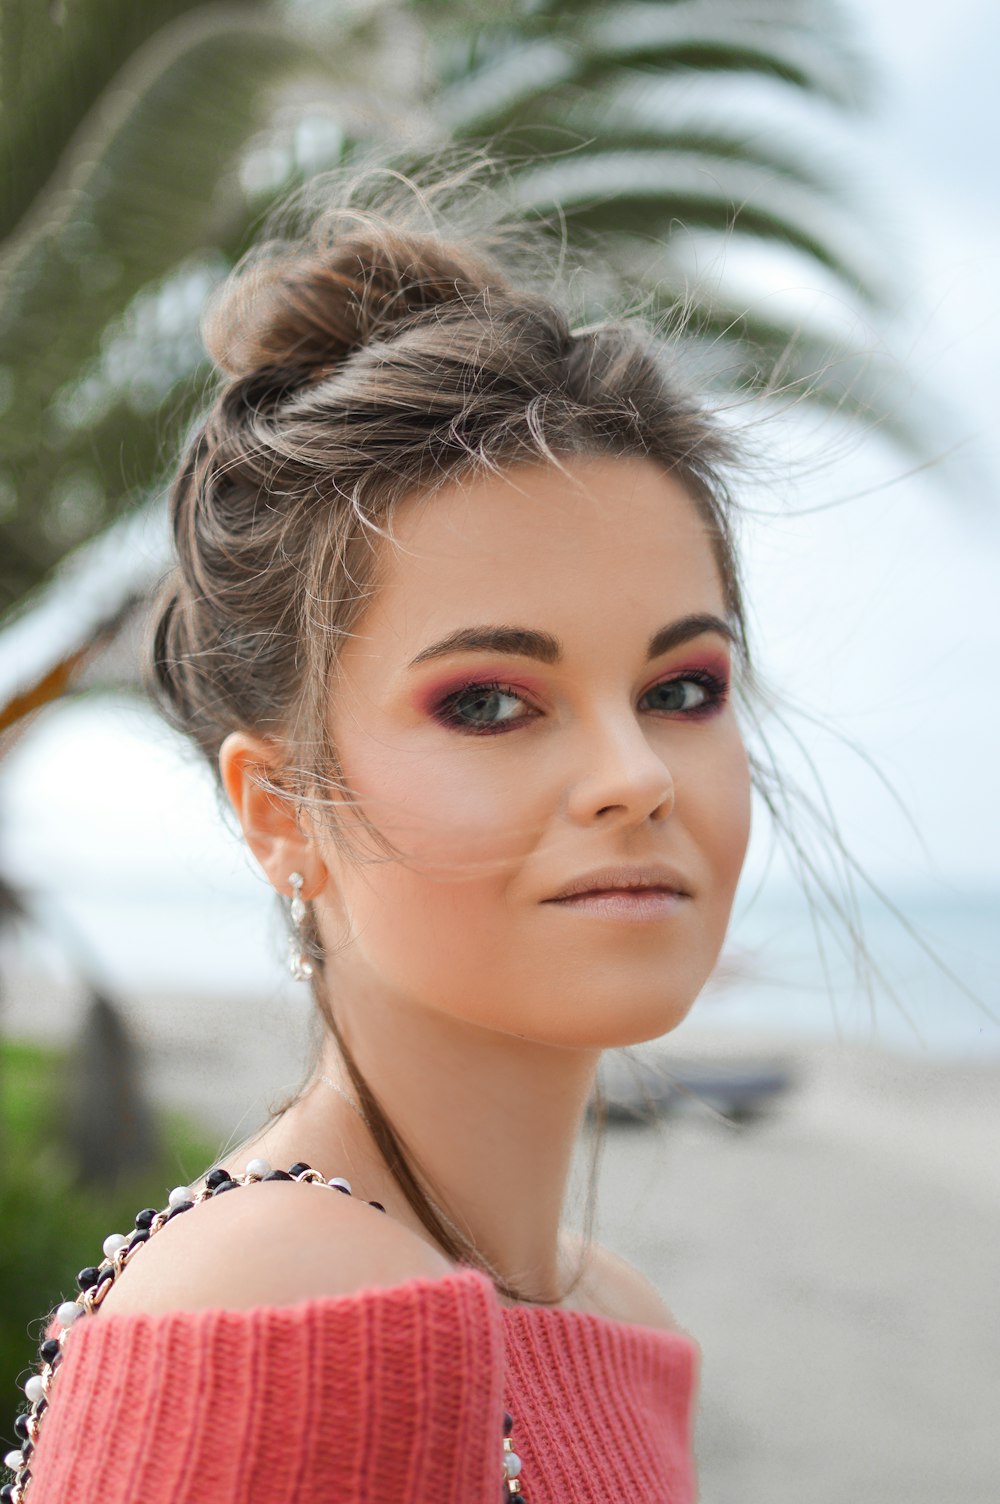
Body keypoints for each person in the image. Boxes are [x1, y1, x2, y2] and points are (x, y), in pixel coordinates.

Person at [7, 156, 758, 1504]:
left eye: (682, 687)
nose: (635, 773)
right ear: (276, 810)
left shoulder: (617, 1321)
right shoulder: (285, 1305)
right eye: (488, 700)